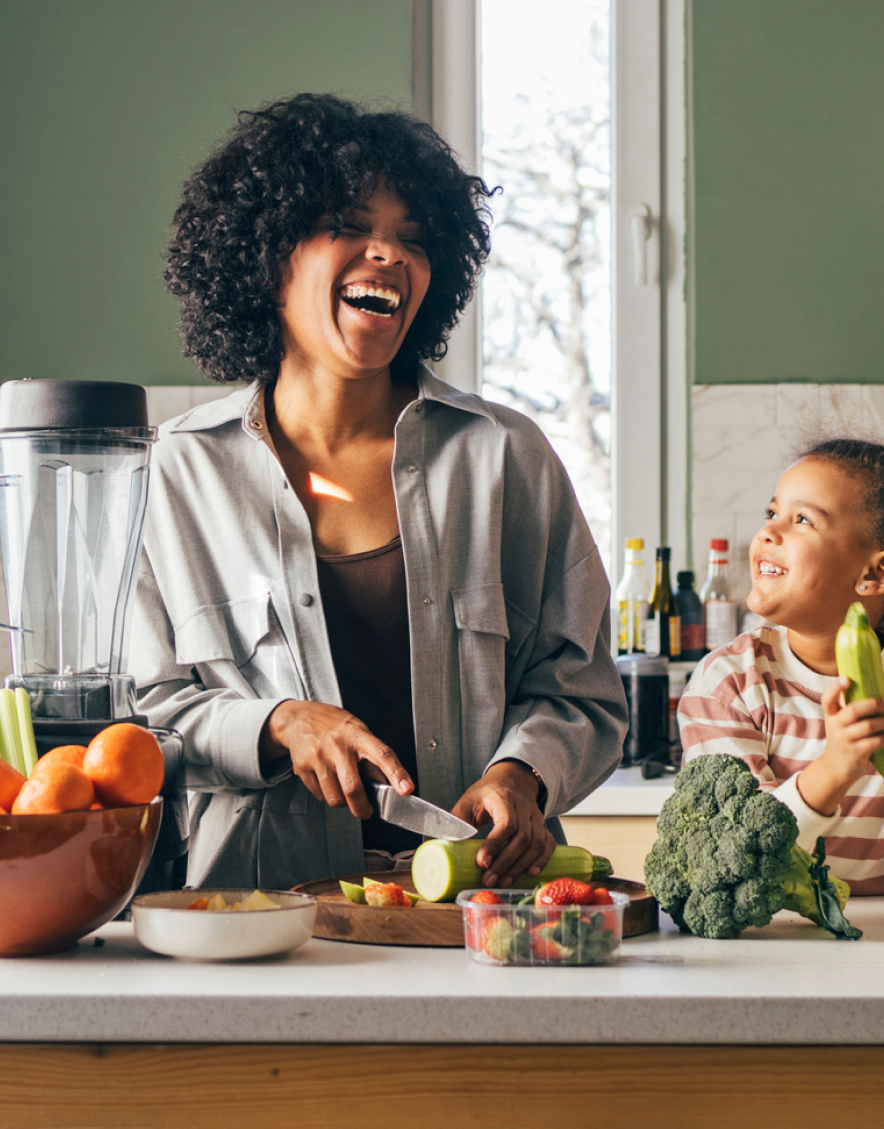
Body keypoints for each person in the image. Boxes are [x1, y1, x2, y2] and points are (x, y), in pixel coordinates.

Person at [130, 94, 627, 891]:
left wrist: (522, 777)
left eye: (413, 239)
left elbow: (583, 692)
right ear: (269, 256)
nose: (388, 255)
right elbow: (139, 720)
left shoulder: (504, 458)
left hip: (481, 920)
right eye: (352, 226)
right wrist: (276, 725)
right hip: (262, 926)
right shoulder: (175, 474)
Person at [677, 438, 884, 919]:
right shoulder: (727, 683)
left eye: (802, 520)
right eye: (773, 512)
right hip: (768, 935)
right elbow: (731, 848)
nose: (769, 531)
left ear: (875, 573)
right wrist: (835, 767)